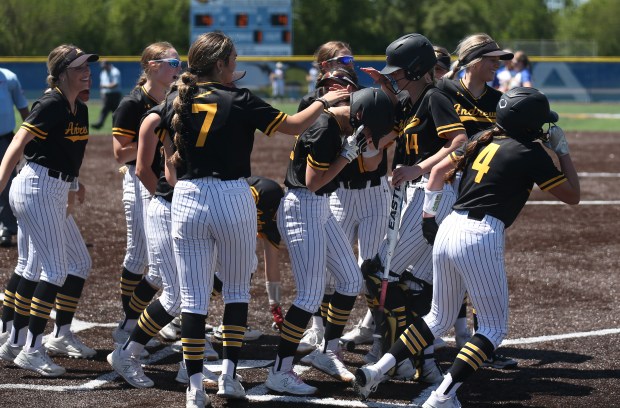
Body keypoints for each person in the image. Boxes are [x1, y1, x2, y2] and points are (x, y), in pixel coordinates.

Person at [355, 87, 580, 408]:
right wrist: (563, 152)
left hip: (451, 226)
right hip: (479, 234)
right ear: (529, 124)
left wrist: (430, 217)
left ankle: (377, 369)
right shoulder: (530, 153)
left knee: (436, 318)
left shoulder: (484, 138)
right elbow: (573, 194)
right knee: (493, 328)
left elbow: (436, 172)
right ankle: (442, 396)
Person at [164, 31, 347, 408]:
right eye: (232, 60)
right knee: (234, 292)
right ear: (220, 64)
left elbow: (170, 160)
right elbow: (295, 126)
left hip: (185, 198)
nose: (237, 65)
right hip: (231, 196)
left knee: (192, 300)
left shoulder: (176, 99)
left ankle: (195, 387)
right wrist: (326, 102)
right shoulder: (239, 98)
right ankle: (229, 376)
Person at [264, 87, 394, 395]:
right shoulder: (325, 129)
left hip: (319, 206)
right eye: (371, 129)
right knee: (309, 296)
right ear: (358, 116)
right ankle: (279, 371)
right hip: (303, 206)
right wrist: (347, 155)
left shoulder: (337, 123)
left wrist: (349, 150)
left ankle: (328, 352)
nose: (371, 136)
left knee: (350, 280)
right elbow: (313, 182)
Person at [360, 33, 467, 381]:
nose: (394, 77)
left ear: (419, 70)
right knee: (416, 284)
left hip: (432, 193)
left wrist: (419, 168)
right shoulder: (410, 102)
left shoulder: (436, 96)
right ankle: (424, 362)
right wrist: (386, 86)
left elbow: (459, 141)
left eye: (399, 72)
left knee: (377, 271)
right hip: (415, 192)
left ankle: (393, 352)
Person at [0, 44, 98, 377]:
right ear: (61, 73)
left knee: (62, 264)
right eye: (80, 67)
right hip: (36, 188)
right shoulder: (51, 103)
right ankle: (32, 349)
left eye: (88, 66)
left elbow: (65, 152)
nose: (87, 72)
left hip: (53, 188)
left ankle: (15, 341)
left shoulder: (78, 108)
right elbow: (17, 146)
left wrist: (74, 182)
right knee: (54, 271)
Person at [439, 34, 517, 367]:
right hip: (441, 187)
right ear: (473, 61)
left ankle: (477, 341)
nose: (499, 64)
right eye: (493, 59)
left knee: (476, 267)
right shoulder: (442, 92)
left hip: (478, 191)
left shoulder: (500, 102)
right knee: (435, 267)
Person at [111, 42, 181, 350]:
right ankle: (129, 321)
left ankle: (147, 318)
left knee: (160, 258)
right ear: (152, 65)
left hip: (165, 181)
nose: (177, 68)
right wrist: (149, 141)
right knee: (139, 255)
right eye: (172, 62)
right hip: (140, 182)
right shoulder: (132, 103)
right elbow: (118, 154)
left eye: (179, 62)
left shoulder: (174, 98)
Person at [0, 67, 29, 247]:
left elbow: (23, 108)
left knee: (7, 181)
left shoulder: (9, 77)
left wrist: (35, 138)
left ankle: (6, 227)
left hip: (4, 138)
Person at [91, 60, 122, 129]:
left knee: (115, 111)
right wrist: (102, 93)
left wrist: (105, 87)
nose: (103, 68)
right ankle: (100, 124)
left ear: (108, 64)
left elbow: (115, 84)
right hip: (106, 95)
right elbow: (102, 84)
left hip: (115, 95)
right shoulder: (103, 72)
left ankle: (118, 125)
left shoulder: (115, 72)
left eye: (104, 66)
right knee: (105, 109)